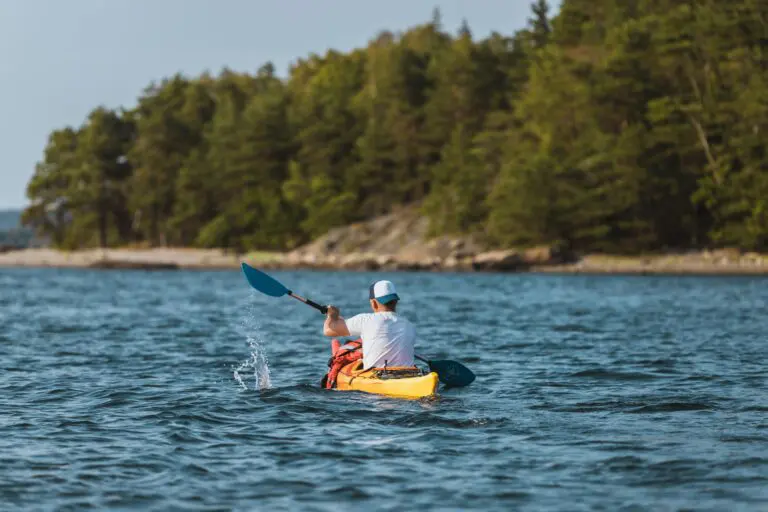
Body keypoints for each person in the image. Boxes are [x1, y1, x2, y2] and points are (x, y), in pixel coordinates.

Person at [323, 280, 416, 370]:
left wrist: (332, 315)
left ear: (374, 303)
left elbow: (328, 330)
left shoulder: (365, 320)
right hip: (408, 374)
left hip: (376, 376)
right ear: (395, 301)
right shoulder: (409, 325)